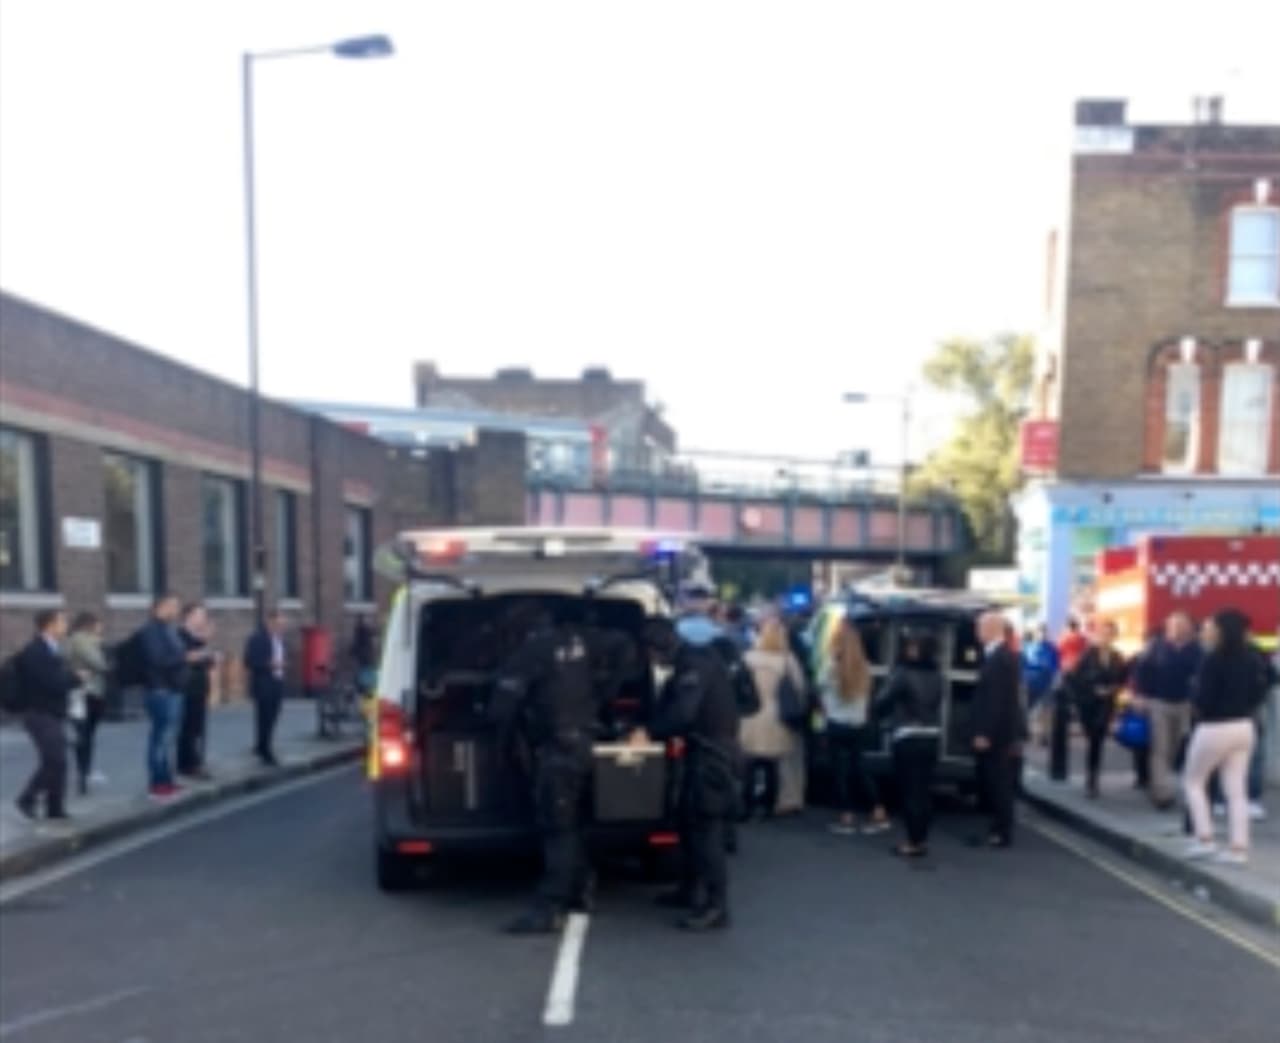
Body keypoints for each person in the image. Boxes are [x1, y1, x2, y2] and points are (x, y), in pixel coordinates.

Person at [493, 607, 602, 934]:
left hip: (557, 750)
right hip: (585, 743)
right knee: (575, 825)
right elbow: (625, 653)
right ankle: (581, 890)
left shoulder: (532, 651)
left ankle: (550, 907)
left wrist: (504, 740)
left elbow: (503, 706)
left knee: (559, 830)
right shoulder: (585, 643)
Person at [639, 616, 741, 931]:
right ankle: (690, 889)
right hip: (705, 751)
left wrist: (649, 732)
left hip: (712, 754)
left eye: (652, 653)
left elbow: (683, 712)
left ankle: (716, 906)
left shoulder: (694, 665)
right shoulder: (694, 661)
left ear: (662, 645)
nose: (653, 660)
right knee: (687, 824)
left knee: (706, 830)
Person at [1182, 610, 1269, 865]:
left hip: (1213, 727)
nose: (1207, 631)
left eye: (1211, 627)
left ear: (1222, 630)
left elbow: (1203, 698)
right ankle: (1238, 848)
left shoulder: (1213, 660)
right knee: (1236, 790)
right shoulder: (1253, 659)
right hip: (1244, 726)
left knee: (1193, 782)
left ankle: (1204, 838)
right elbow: (1260, 692)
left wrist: (1197, 705)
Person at [873, 634, 943, 859]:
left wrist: (879, 714)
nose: (908, 650)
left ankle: (913, 842)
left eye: (911, 647)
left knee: (910, 791)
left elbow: (883, 700)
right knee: (924, 790)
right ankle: (921, 837)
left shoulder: (903, 673)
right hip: (932, 736)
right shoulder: (938, 675)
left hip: (907, 736)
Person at [820, 616, 889, 836]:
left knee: (840, 772)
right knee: (861, 768)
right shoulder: (865, 667)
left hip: (837, 723)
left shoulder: (832, 667)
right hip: (859, 724)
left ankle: (846, 815)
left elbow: (820, 688)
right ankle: (877, 810)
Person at [13, 610, 80, 822]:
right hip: (39, 713)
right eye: (62, 622)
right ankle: (27, 798)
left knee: (57, 761)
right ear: (49, 626)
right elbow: (54, 683)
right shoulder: (35, 652)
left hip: (52, 712)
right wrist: (76, 678)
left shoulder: (52, 649)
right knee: (55, 760)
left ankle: (55, 808)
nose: (66, 625)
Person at [739, 618, 805, 820]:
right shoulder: (787, 660)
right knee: (773, 765)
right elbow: (799, 688)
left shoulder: (748, 658)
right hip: (776, 715)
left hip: (751, 715)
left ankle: (746, 805)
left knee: (749, 764)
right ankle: (770, 805)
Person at [1138, 612, 1203, 809]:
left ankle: (1160, 782)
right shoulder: (1156, 646)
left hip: (1184, 704)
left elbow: (1202, 675)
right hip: (1160, 703)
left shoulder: (1196, 650)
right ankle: (1162, 792)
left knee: (1175, 748)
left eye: (1181, 625)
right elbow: (1141, 670)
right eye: (1173, 625)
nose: (1176, 629)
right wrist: (1140, 696)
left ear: (1190, 628)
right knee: (1160, 747)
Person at [971, 611, 1023, 848]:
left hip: (998, 735)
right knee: (993, 782)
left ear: (993, 628)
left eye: (980, 626)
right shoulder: (996, 655)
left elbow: (997, 700)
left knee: (999, 783)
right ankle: (997, 828)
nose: (977, 631)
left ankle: (1002, 832)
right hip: (997, 734)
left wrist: (985, 733)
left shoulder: (1001, 658)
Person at [1068, 620, 1129, 799]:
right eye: (1103, 633)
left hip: (1105, 705)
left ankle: (1092, 781)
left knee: (1097, 740)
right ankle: (1091, 778)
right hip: (1087, 703)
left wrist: (1112, 689)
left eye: (1110, 634)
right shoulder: (1088, 655)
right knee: (1092, 737)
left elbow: (1122, 679)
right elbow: (1075, 678)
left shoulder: (1117, 657)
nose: (1106, 637)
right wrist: (1093, 689)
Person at [141, 593, 189, 798]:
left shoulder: (168, 630)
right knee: (160, 738)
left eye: (177, 607)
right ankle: (157, 782)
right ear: (158, 608)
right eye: (172, 606)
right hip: (160, 690)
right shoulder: (151, 631)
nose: (175, 611)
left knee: (168, 737)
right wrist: (184, 657)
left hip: (173, 689)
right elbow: (158, 659)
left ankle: (167, 779)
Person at [66, 611, 109, 795]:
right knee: (84, 734)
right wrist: (99, 645)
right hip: (86, 693)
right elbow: (99, 663)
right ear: (90, 624)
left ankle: (85, 772)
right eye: (99, 624)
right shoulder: (82, 639)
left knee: (86, 734)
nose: (102, 628)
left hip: (88, 693)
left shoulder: (82, 640)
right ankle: (83, 774)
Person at [177, 603, 218, 780]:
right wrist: (204, 653)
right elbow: (186, 657)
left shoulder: (197, 638)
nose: (203, 620)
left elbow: (205, 661)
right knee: (188, 728)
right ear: (189, 616)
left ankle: (196, 761)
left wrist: (210, 657)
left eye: (204, 616)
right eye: (200, 615)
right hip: (187, 687)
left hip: (200, 687)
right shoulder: (181, 635)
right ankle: (188, 764)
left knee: (197, 727)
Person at [244, 608, 288, 767]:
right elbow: (249, 661)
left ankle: (263, 744)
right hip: (263, 683)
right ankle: (265, 749)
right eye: (279, 624)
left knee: (274, 716)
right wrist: (270, 664)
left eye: (283, 625)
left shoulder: (280, 639)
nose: (282, 627)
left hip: (277, 682)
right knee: (264, 717)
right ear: (269, 622)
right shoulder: (257, 639)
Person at [1021, 623, 1060, 745]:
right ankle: (1027, 731)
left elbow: (1056, 666)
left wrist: (1055, 680)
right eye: (1040, 632)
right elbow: (1022, 665)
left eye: (1044, 632)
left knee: (1046, 710)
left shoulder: (1052, 648)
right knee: (1027, 709)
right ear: (1036, 633)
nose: (1042, 634)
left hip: (1046, 682)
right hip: (1031, 682)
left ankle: (1044, 735)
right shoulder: (1028, 647)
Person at [351, 613, 378, 691]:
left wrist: (352, 651)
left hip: (364, 657)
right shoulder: (365, 630)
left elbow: (357, 643)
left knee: (364, 672)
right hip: (367, 657)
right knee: (366, 672)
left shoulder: (360, 630)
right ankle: (367, 687)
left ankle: (365, 687)